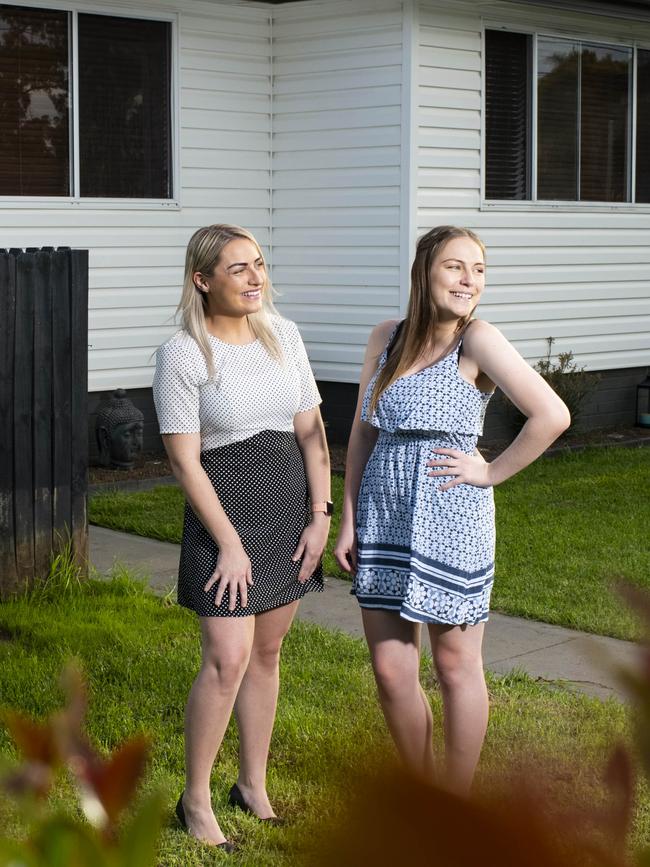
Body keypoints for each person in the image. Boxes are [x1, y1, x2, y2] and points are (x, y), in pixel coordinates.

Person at [334, 225, 570, 796]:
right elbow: (364, 430)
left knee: (454, 665)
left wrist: (488, 471)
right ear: (424, 272)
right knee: (392, 671)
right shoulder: (385, 338)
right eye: (455, 267)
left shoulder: (478, 341)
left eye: (479, 270)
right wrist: (348, 515)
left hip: (450, 515)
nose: (469, 281)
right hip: (384, 511)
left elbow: (552, 415)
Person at [152, 224, 331, 850]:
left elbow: (311, 432)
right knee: (227, 659)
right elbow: (184, 463)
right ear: (203, 281)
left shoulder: (284, 334)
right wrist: (229, 542)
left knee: (266, 655)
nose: (255, 278)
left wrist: (322, 515)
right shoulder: (182, 352)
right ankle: (195, 800)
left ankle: (251, 786)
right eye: (237, 269)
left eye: (258, 264)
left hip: (288, 503)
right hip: (221, 510)